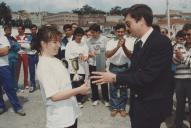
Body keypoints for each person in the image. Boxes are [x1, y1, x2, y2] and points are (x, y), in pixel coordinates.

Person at [91, 4, 174, 128]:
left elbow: (147, 76)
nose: (127, 29)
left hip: (151, 106)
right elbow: (134, 70)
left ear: (141, 20)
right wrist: (111, 76)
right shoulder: (138, 43)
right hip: (138, 105)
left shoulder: (161, 42)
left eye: (129, 24)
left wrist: (115, 77)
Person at [34, 25, 89, 128]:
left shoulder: (54, 59)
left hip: (70, 112)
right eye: (55, 42)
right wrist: (79, 90)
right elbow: (55, 96)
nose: (59, 45)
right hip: (60, 120)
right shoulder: (44, 66)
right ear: (43, 44)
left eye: (59, 41)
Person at [106, 23, 133, 117]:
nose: (120, 33)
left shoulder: (129, 41)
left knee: (123, 89)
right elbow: (107, 55)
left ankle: (122, 108)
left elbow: (131, 56)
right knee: (113, 89)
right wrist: (118, 46)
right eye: (118, 31)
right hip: (113, 67)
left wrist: (124, 46)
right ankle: (114, 107)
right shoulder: (110, 41)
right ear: (115, 31)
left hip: (124, 67)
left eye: (122, 31)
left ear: (125, 31)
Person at [0, 34, 26, 116]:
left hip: (3, 66)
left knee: (9, 88)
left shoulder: (2, 38)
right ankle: (1, 106)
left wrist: (2, 51)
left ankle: (17, 107)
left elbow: (5, 51)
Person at [173, 23, 191, 128]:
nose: (186, 37)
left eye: (189, 34)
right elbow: (173, 61)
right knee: (180, 104)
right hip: (179, 80)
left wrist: (182, 58)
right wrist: (180, 58)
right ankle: (178, 124)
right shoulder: (178, 45)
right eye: (185, 34)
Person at [65, 27, 89, 108]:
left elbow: (86, 56)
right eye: (78, 35)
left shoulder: (84, 44)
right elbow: (67, 56)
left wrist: (84, 57)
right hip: (72, 69)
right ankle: (73, 100)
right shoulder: (69, 44)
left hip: (82, 69)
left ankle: (79, 100)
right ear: (74, 35)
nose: (79, 37)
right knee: (73, 85)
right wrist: (77, 56)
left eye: (81, 36)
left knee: (80, 85)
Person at [88, 23, 109, 106]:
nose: (91, 34)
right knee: (93, 81)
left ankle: (106, 99)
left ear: (98, 32)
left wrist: (103, 55)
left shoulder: (104, 39)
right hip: (92, 63)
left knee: (103, 81)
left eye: (93, 32)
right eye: (91, 32)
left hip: (101, 61)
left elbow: (107, 51)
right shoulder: (89, 40)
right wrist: (90, 53)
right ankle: (95, 98)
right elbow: (87, 51)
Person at [4, 24, 20, 91]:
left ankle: (15, 87)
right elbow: (5, 49)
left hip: (14, 59)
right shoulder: (3, 39)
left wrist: (11, 46)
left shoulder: (13, 38)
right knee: (7, 75)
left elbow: (18, 47)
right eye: (7, 29)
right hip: (7, 60)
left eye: (10, 29)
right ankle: (6, 88)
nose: (9, 31)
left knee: (14, 74)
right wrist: (11, 46)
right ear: (4, 30)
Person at [15, 25, 30, 90]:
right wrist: (22, 46)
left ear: (23, 30)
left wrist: (22, 46)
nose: (19, 30)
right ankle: (16, 84)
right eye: (18, 29)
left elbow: (29, 46)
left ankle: (26, 84)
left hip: (25, 54)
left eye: (20, 29)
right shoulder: (15, 37)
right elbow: (15, 46)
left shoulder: (27, 37)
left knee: (26, 69)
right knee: (17, 70)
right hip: (18, 54)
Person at [27, 24, 38, 93]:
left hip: (38, 55)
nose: (33, 30)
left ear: (36, 29)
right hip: (30, 55)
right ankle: (33, 85)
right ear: (30, 30)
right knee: (32, 71)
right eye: (32, 29)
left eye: (35, 29)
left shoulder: (39, 37)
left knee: (40, 71)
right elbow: (26, 47)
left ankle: (43, 85)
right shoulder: (28, 37)